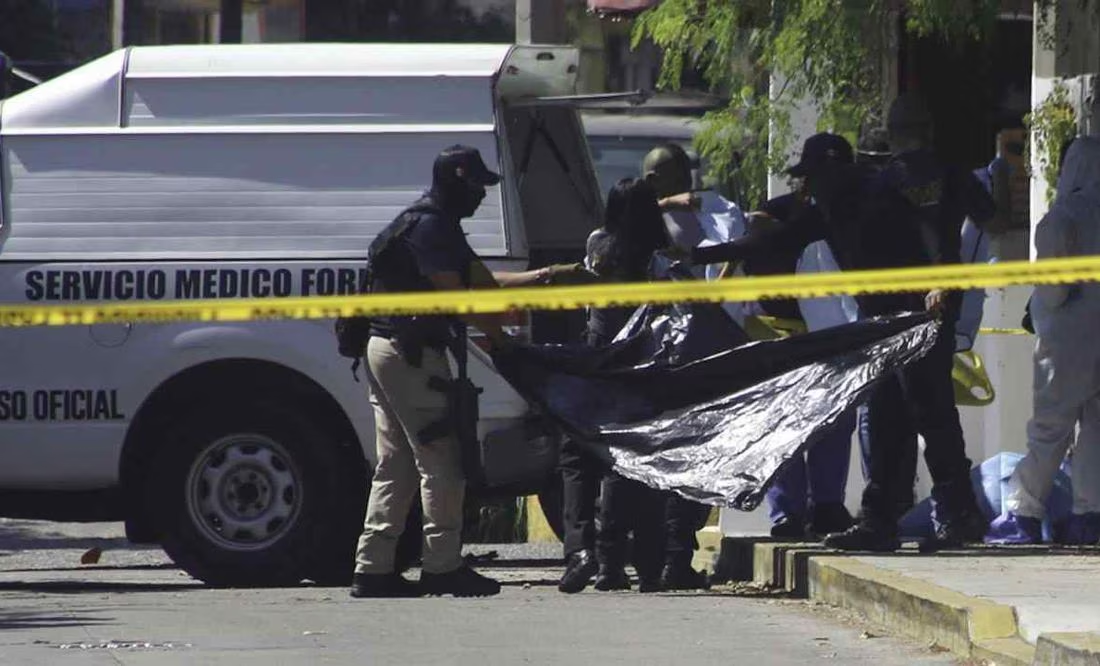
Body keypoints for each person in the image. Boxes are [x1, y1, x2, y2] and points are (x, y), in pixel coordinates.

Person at [350, 144, 578, 598]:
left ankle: (372, 567)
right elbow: (464, 298)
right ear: (457, 181)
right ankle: (442, 565)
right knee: (442, 460)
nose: (480, 197)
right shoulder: (433, 227)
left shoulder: (428, 221)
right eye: (476, 187)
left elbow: (481, 281)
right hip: (409, 354)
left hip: (388, 350)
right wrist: (503, 345)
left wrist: (547, 275)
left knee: (396, 463)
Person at [823, 94, 995, 551]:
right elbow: (987, 217)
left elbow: (935, 225)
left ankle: (951, 516)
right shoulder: (939, 174)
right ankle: (888, 518)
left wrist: (940, 280)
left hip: (915, 311)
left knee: (924, 411)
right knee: (893, 414)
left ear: (894, 133)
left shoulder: (914, 175)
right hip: (901, 312)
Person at [688, 134, 858, 540]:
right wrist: (701, 257)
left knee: (835, 423)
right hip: (781, 336)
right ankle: (787, 512)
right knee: (785, 424)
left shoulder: (856, 214)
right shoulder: (779, 213)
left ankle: (828, 507)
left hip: (835, 337)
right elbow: (747, 249)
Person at [641, 143, 745, 589]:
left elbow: (733, 254)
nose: (652, 183)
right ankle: (661, 559)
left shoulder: (715, 214)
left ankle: (675, 557)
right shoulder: (646, 218)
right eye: (649, 178)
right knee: (666, 457)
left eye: (659, 175)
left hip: (705, 350)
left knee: (699, 456)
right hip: (664, 354)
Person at [987, 136, 1100, 545]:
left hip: (1068, 339)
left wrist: (1042, 311)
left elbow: (1053, 287)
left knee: (1051, 429)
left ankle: (1023, 514)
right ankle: (1089, 516)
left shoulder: (1064, 215)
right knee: (1096, 429)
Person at [588, 177, 676, 593]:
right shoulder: (660, 258)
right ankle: (650, 564)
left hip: (605, 364)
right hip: (648, 366)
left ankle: (609, 562)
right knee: (652, 466)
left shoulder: (597, 247)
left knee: (614, 466)